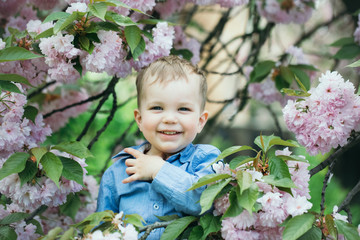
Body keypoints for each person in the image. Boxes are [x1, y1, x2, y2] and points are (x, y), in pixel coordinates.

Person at [96, 55, 220, 239]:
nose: (169, 119)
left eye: (183, 109)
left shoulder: (207, 159)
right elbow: (100, 230)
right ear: (139, 119)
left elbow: (202, 202)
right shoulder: (118, 173)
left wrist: (158, 170)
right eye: (157, 108)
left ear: (200, 121)